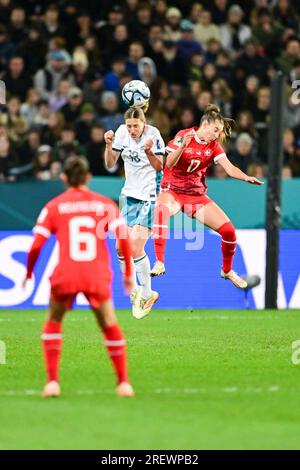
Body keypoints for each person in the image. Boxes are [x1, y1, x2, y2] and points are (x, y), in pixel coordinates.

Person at [23, 156, 135, 398]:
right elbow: (123, 239)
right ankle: (123, 383)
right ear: (88, 177)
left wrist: (29, 272)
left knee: (54, 320)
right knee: (109, 324)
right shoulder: (106, 205)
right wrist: (127, 273)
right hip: (95, 273)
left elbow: (35, 247)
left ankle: (52, 382)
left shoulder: (53, 206)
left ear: (63, 178)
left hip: (66, 273)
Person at [150, 104, 263, 289]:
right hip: (173, 191)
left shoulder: (213, 146)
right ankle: (160, 262)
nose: (217, 134)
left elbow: (229, 168)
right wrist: (182, 147)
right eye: (215, 130)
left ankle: (227, 270)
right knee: (160, 211)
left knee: (229, 231)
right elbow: (168, 163)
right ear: (205, 124)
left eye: (219, 131)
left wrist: (245, 177)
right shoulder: (183, 135)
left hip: (196, 196)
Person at [104, 106, 165, 319]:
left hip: (150, 195)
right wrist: (109, 145)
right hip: (129, 195)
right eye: (129, 126)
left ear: (143, 123)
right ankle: (134, 292)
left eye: (135, 126)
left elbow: (160, 167)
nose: (132, 130)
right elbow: (111, 164)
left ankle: (148, 293)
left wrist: (148, 151)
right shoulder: (121, 132)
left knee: (135, 245)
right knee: (121, 247)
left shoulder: (154, 134)